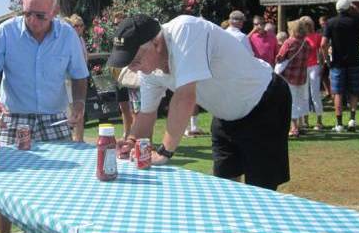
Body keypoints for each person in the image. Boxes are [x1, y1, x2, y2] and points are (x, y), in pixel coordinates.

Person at [111, 14, 291, 191]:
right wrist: (132, 140)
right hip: (225, 115)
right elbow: (147, 113)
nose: (133, 68)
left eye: (135, 61)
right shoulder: (148, 71)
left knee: (261, 191)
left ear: (156, 44)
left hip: (266, 102)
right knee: (224, 187)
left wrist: (163, 152)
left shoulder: (185, 30)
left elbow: (185, 97)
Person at [0, 0, 89, 233]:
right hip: (14, 115)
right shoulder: (5, 32)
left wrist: (78, 103)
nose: (31, 20)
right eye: (26, 12)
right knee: (4, 182)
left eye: (39, 15)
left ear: (53, 12)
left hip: (55, 117)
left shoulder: (67, 35)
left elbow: (79, 76)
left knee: (59, 185)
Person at [321, 0, 359, 132]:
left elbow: (323, 44)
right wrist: (358, 11)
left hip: (337, 63)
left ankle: (339, 124)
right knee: (354, 91)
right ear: (350, 8)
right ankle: (352, 120)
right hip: (355, 61)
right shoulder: (356, 21)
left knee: (337, 92)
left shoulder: (331, 23)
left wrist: (327, 59)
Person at [276, 20, 310, 137]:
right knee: (300, 101)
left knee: (292, 102)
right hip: (302, 76)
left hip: (289, 76)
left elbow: (280, 58)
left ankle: (294, 128)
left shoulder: (289, 42)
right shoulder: (306, 43)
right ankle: (301, 125)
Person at [64, 14, 88, 142]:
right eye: (76, 26)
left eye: (81, 25)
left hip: (79, 79)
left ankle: (79, 138)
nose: (79, 28)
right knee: (71, 110)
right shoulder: (72, 40)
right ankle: (75, 138)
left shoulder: (80, 40)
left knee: (79, 109)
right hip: (69, 80)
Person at [112, 11, 136, 138]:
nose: (117, 26)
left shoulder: (132, 36)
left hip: (132, 75)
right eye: (115, 24)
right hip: (119, 75)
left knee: (136, 107)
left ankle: (137, 135)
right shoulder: (115, 37)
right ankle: (127, 133)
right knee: (123, 106)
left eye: (119, 23)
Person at [300, 16, 324, 130]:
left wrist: (322, 65)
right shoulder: (300, 37)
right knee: (304, 94)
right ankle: (305, 121)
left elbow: (322, 51)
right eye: (304, 25)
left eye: (308, 24)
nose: (306, 27)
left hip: (314, 66)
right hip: (303, 67)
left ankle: (319, 120)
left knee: (315, 93)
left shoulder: (317, 36)